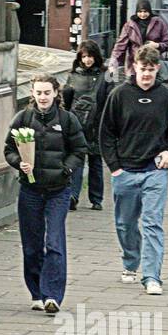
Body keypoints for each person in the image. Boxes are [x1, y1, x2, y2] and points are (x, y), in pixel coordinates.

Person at [98, 42, 168, 296]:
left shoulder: (167, 97)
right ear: (134, 67)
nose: (147, 74)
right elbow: (105, 133)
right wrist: (115, 167)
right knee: (125, 224)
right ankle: (131, 262)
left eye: (151, 69)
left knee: (152, 223)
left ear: (157, 69)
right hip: (125, 171)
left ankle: (152, 276)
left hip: (155, 170)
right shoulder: (119, 95)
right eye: (143, 69)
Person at [5, 75, 87, 313]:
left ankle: (53, 295)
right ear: (33, 94)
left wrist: (66, 169)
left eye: (47, 93)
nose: (43, 97)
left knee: (54, 242)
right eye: (39, 93)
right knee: (31, 245)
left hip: (58, 191)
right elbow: (8, 148)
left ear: (55, 94)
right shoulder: (23, 118)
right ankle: (36, 292)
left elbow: (79, 149)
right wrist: (18, 162)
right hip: (30, 190)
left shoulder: (67, 120)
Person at [61, 41, 110, 210]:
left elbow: (110, 100)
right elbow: (66, 102)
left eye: (90, 56)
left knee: (96, 162)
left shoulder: (105, 75)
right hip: (78, 124)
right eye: (84, 56)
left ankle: (96, 199)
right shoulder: (73, 75)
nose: (88, 60)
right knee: (77, 161)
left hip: (97, 124)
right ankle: (73, 196)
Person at [109, 0, 168, 79]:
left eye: (145, 11)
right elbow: (120, 46)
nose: (142, 14)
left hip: (153, 64)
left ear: (149, 11)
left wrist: (157, 45)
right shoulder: (129, 25)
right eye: (140, 11)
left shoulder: (159, 23)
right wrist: (113, 64)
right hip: (135, 65)